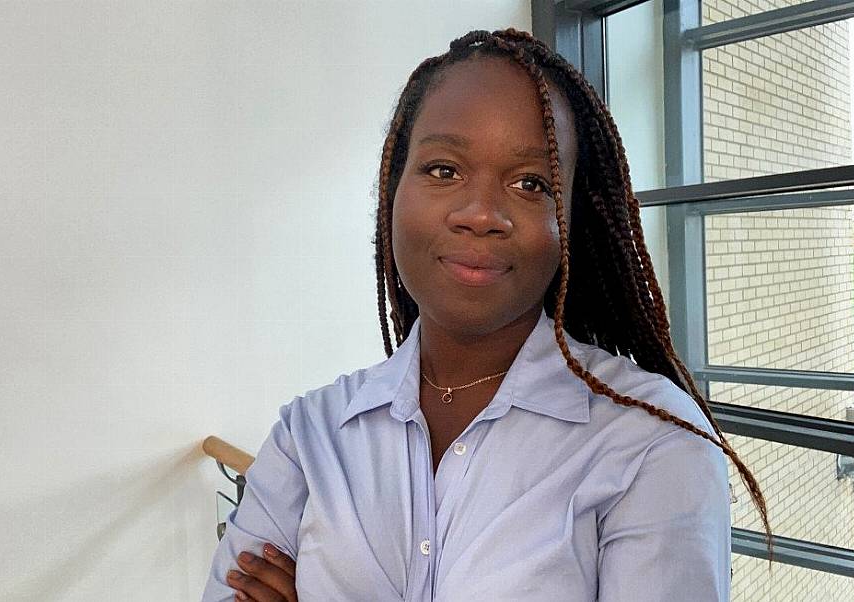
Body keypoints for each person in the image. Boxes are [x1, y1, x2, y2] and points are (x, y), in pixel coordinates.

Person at [202, 28, 770, 602]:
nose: (480, 214)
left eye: (530, 183)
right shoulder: (310, 436)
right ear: (392, 190)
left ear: (570, 221)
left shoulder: (653, 443)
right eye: (443, 170)